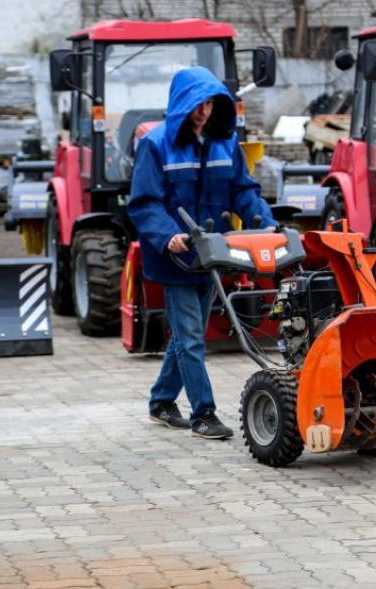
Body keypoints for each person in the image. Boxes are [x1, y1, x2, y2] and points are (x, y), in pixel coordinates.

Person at [128, 66, 277, 440]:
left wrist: (265, 221)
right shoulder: (156, 144)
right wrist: (167, 235)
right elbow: (145, 203)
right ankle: (203, 414)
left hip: (213, 254)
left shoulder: (226, 145)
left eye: (210, 103)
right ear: (182, 103)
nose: (204, 111)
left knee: (186, 334)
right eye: (198, 103)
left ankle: (162, 401)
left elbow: (243, 191)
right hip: (175, 256)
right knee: (192, 335)